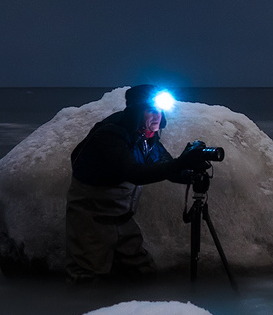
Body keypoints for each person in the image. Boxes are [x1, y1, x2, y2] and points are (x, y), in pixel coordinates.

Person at [64, 84, 204, 284]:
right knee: (87, 276)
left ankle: (137, 310)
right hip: (91, 216)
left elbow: (164, 166)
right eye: (150, 110)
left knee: (142, 271)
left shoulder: (146, 135)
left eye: (159, 110)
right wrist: (180, 163)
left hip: (121, 217)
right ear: (137, 111)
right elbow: (134, 173)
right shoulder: (112, 133)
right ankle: (83, 311)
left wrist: (191, 171)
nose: (157, 116)